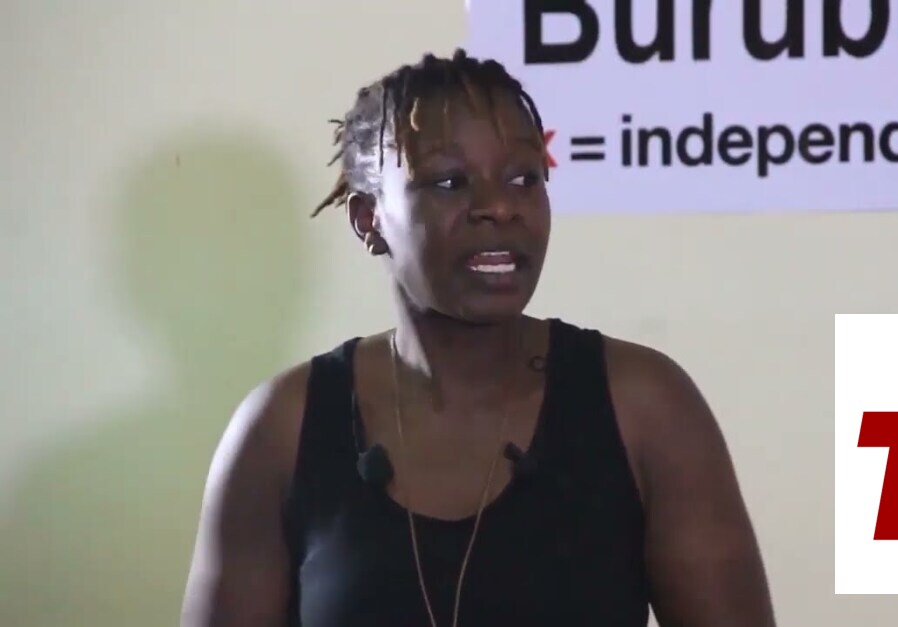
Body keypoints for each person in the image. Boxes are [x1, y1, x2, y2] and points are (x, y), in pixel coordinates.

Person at [181, 49, 775, 627]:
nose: (499, 207)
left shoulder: (645, 407)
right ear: (368, 218)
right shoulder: (281, 428)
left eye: (523, 177)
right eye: (449, 181)